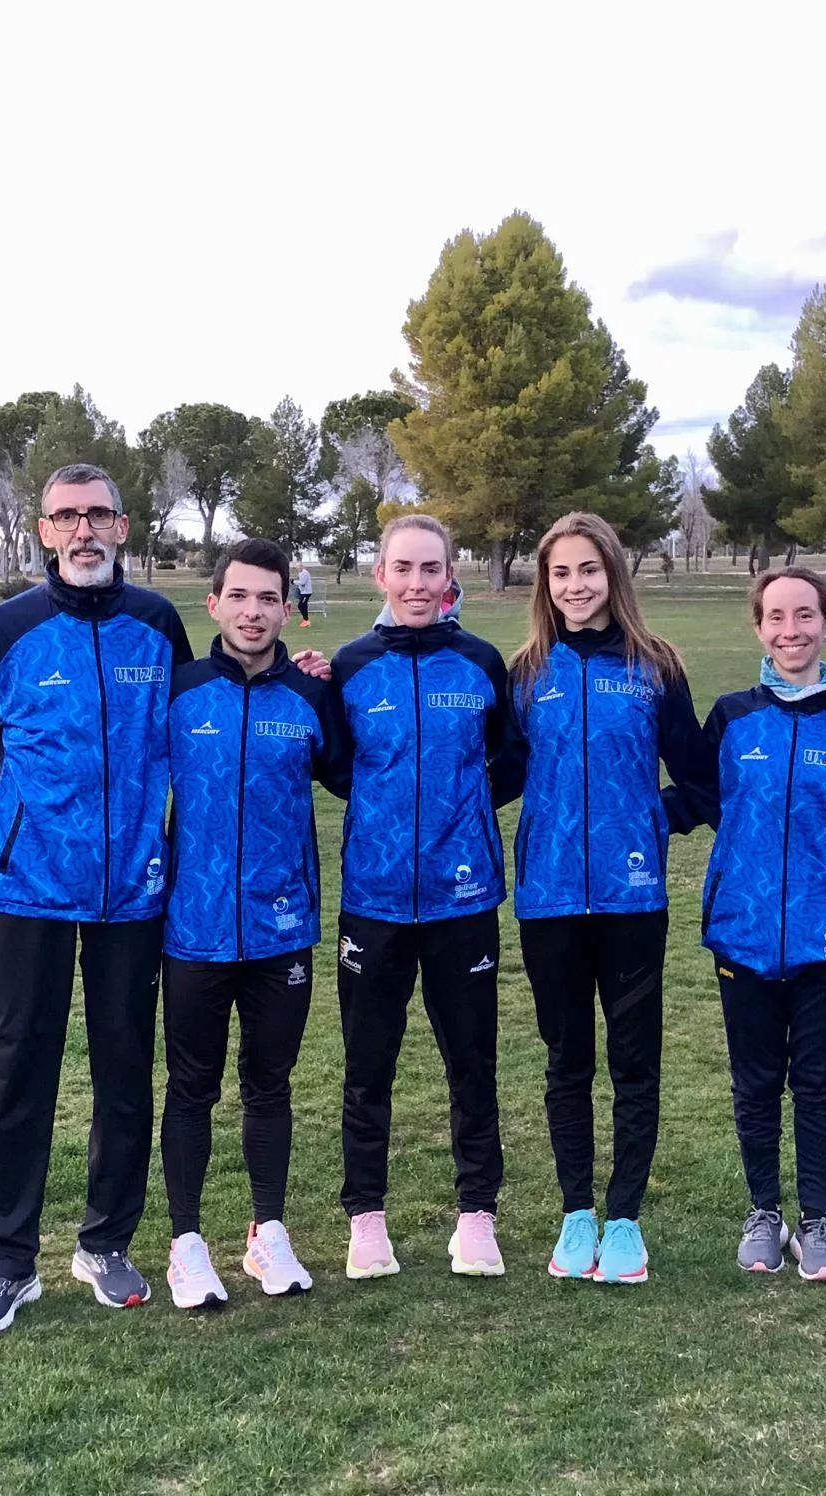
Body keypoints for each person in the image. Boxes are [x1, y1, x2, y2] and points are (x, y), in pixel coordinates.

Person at [0, 463, 192, 1333]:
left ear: (124, 528)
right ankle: (7, 1263)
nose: (83, 530)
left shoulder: (158, 625)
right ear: (44, 532)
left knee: (126, 1070)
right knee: (15, 1076)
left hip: (132, 891)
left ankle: (106, 1241)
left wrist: (296, 677)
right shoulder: (4, 629)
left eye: (98, 515)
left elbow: (199, 737)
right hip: (24, 889)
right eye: (65, 518)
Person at [507, 512, 709, 1285]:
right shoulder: (525, 672)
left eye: (587, 570)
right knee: (566, 1062)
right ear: (544, 584)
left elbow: (699, 772)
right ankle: (575, 1214)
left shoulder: (654, 667)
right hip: (547, 899)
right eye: (560, 573)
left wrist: (658, 815)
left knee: (632, 1061)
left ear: (613, 575)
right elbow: (492, 771)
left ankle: (623, 1218)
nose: (574, 586)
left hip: (632, 899)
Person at [160, 538, 352, 1308]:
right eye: (237, 596)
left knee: (269, 1084)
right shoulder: (178, 693)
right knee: (191, 1087)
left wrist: (334, 685)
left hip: (282, 930)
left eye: (267, 598)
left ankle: (265, 1231)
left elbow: (349, 774)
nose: (252, 611)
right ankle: (186, 1242)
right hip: (193, 930)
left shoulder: (307, 699)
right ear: (214, 604)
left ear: (285, 607)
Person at [331, 514, 523, 1280]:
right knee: (366, 1066)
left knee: (471, 1062)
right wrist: (385, 820)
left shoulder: (480, 662)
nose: (416, 584)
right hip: (372, 902)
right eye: (402, 569)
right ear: (380, 576)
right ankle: (365, 1220)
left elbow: (510, 759)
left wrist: (461, 813)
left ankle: (476, 1216)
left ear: (451, 578)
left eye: (430, 569)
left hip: (461, 898)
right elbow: (335, 764)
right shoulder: (348, 666)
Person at [681, 568, 826, 1283]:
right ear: (757, 628)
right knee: (755, 1081)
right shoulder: (732, 717)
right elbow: (696, 797)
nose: (789, 630)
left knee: (819, 1082)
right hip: (743, 931)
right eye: (774, 617)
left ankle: (817, 1223)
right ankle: (764, 1212)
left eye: (804, 615)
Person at [294, 560, 313, 627]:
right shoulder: (300, 573)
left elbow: (302, 582)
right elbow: (301, 583)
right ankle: (306, 620)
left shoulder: (305, 573)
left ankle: (306, 620)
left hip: (306, 593)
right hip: (303, 592)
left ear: (302, 566)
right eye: (298, 566)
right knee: (304, 606)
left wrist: (294, 582)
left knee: (301, 605)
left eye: (300, 566)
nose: (299, 568)